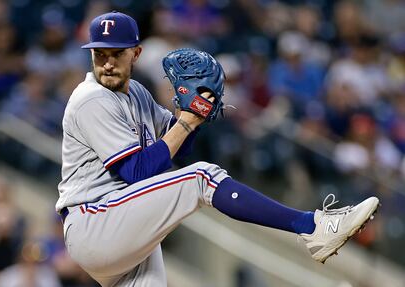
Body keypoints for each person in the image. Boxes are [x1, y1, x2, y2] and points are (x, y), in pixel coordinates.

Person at [56, 11, 380, 287]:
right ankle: (313, 227)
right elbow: (137, 172)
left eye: (117, 53)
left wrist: (197, 113)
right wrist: (187, 121)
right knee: (202, 178)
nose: (108, 63)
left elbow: (177, 144)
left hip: (119, 222)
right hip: (94, 221)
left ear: (136, 54)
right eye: (100, 53)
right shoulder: (91, 99)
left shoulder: (136, 93)